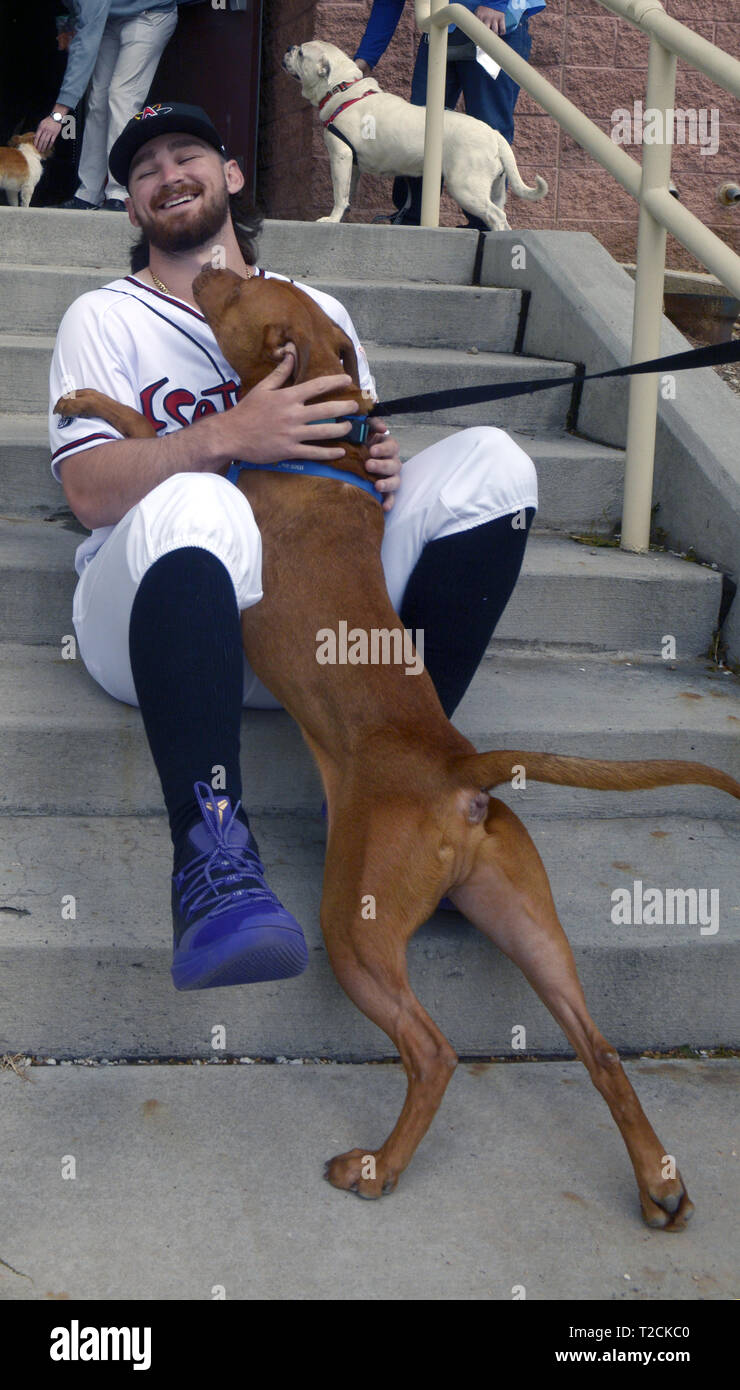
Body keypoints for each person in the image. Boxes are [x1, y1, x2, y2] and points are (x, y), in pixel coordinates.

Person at [48, 101, 538, 993]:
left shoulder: (316, 309)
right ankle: (213, 863)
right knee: (199, 497)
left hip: (309, 628)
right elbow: (87, 494)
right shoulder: (103, 316)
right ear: (130, 208)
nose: (167, 174)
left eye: (186, 152)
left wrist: (378, 461)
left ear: (231, 175)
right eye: (144, 168)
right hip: (159, 624)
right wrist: (229, 434)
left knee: (494, 466)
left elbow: (347, 473)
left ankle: (395, 785)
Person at [354, 0, 545, 227]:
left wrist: (495, 3)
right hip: (440, 25)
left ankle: (485, 228)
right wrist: (365, 57)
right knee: (417, 127)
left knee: (488, 126)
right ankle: (413, 219)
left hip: (495, 24)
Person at [34, 1, 177, 210]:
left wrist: (58, 114)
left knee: (121, 96)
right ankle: (88, 193)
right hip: (111, 18)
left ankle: (120, 193)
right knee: (97, 101)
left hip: (150, 14)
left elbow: (86, 42)